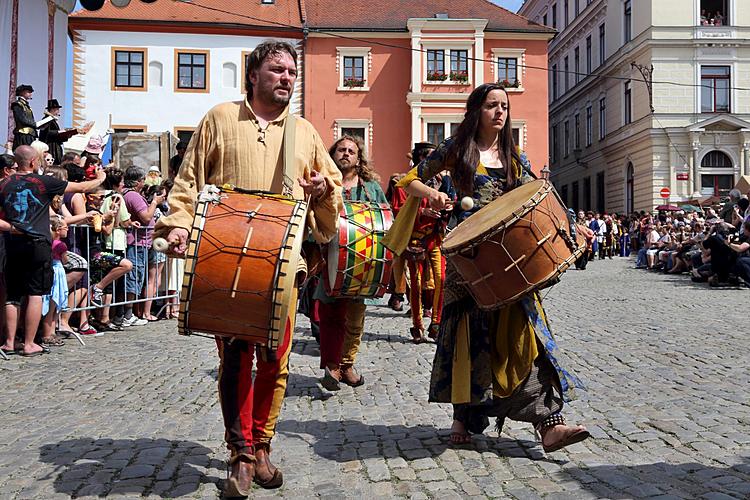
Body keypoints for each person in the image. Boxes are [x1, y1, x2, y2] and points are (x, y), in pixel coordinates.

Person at [154, 40, 342, 496]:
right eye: (277, 69)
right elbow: (187, 181)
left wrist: (320, 190)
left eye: (292, 72)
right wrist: (177, 226)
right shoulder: (220, 118)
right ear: (253, 75)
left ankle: (262, 445)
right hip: (227, 259)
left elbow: (332, 192)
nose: (287, 78)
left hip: (284, 264)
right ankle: (240, 452)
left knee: (275, 360)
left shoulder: (305, 132)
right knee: (236, 356)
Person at [383, 83, 588, 452]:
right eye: (492, 105)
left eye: (504, 106)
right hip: (467, 259)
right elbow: (407, 180)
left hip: (508, 257)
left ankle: (548, 423)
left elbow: (540, 196)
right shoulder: (456, 150)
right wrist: (435, 194)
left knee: (525, 335)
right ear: (476, 110)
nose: (499, 112)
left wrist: (573, 225)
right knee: (468, 335)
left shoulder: (514, 157)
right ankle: (463, 415)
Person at [0, 146, 105, 356]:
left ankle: (9, 342)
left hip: (13, 242)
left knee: (13, 295)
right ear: (32, 162)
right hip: (38, 243)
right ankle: (29, 343)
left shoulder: (3, 184)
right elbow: (83, 187)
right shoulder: (44, 182)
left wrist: (12, 228)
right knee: (35, 294)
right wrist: (101, 176)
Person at [316, 135, 387, 391]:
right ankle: (332, 366)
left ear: (359, 159)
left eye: (351, 151)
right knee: (329, 313)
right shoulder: (324, 183)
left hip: (363, 260)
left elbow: (384, 220)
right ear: (333, 154)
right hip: (330, 258)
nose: (345, 154)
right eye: (341, 150)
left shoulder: (371, 188)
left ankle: (347, 364)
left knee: (355, 317)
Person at [402, 142, 455, 343]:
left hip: (436, 238)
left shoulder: (445, 182)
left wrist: (447, 209)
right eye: (429, 157)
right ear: (421, 160)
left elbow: (452, 203)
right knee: (415, 284)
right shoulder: (408, 183)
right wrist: (422, 211)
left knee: (442, 279)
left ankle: (436, 322)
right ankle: (417, 325)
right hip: (414, 240)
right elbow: (398, 210)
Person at [38, 99, 79, 164]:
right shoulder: (47, 119)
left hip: (55, 146)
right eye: (57, 109)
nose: (58, 111)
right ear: (52, 109)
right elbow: (47, 133)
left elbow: (57, 136)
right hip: (50, 146)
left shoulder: (53, 120)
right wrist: (59, 132)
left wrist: (67, 135)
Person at [11, 85, 37, 150]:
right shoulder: (17, 104)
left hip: (30, 134)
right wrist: (35, 124)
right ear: (22, 92)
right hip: (23, 134)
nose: (31, 94)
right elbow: (22, 119)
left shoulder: (27, 106)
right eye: (29, 92)